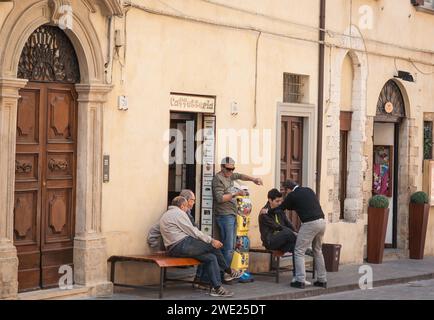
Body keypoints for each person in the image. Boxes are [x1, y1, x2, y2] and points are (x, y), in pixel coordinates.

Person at [159, 196, 243, 297]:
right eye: (186, 207)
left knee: (210, 258)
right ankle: (228, 271)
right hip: (181, 245)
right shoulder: (178, 213)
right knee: (212, 246)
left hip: (176, 248)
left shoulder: (166, 214)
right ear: (182, 206)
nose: (188, 209)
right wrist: (211, 240)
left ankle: (217, 288)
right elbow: (193, 231)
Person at [268, 180, 327, 289]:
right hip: (322, 222)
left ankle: (300, 280)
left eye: (286, 191)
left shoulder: (292, 195)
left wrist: (268, 212)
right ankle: (322, 280)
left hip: (309, 224)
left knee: (299, 251)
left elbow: (282, 208)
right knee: (318, 250)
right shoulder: (308, 190)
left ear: (288, 189)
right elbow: (300, 205)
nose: (286, 194)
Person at [212, 157, 263, 269]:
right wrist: (236, 194)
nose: (230, 171)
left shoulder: (230, 175)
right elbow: (219, 198)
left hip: (232, 214)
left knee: (230, 245)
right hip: (224, 215)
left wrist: (254, 179)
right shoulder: (218, 179)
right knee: (229, 247)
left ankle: (222, 272)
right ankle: (223, 273)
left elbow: (240, 176)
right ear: (222, 167)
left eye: (232, 169)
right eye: (228, 169)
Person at [259, 189, 297, 253]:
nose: (279, 203)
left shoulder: (279, 210)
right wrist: (294, 234)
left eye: (280, 201)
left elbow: (288, 223)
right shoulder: (264, 213)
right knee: (287, 232)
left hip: (281, 239)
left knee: (296, 248)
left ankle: (307, 252)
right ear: (270, 200)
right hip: (270, 241)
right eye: (277, 201)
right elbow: (277, 226)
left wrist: (295, 232)